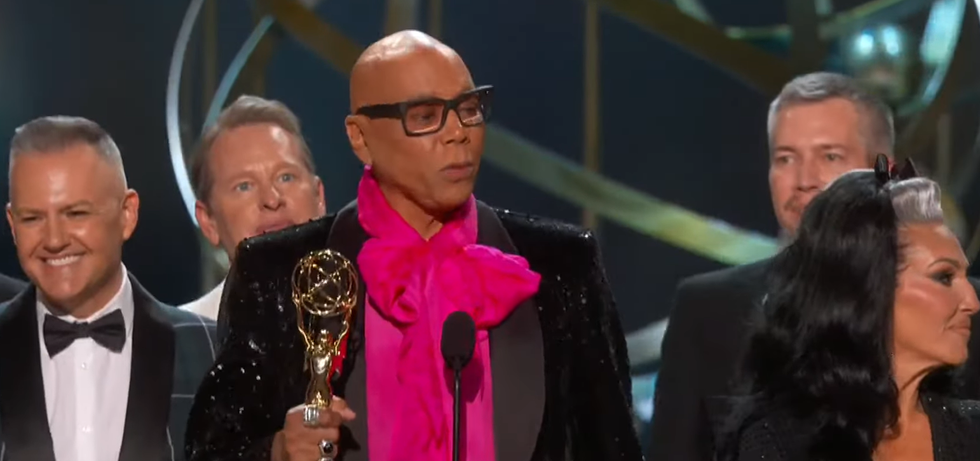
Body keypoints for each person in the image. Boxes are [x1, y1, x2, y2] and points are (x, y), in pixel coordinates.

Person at [185, 30, 642, 461]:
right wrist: (278, 450)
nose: (458, 132)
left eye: (469, 108)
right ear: (360, 138)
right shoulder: (280, 271)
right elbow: (212, 449)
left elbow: (611, 446)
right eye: (425, 116)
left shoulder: (561, 265)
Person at [648, 72, 919, 461]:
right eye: (785, 158)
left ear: (885, 173)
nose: (804, 180)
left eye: (830, 156)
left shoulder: (958, 311)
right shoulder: (706, 309)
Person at [713, 160, 980, 460]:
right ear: (870, 289)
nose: (972, 301)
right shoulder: (774, 444)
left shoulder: (973, 432)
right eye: (944, 277)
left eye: (965, 277)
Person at [0, 116, 217, 461]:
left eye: (75, 214)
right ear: (12, 225)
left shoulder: (209, 349)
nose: (54, 240)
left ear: (127, 214)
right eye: (33, 218)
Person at [180, 95, 327, 320]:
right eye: (244, 186)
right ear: (209, 222)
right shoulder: (184, 334)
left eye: (286, 177)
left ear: (319, 197)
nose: (271, 199)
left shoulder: (375, 317)